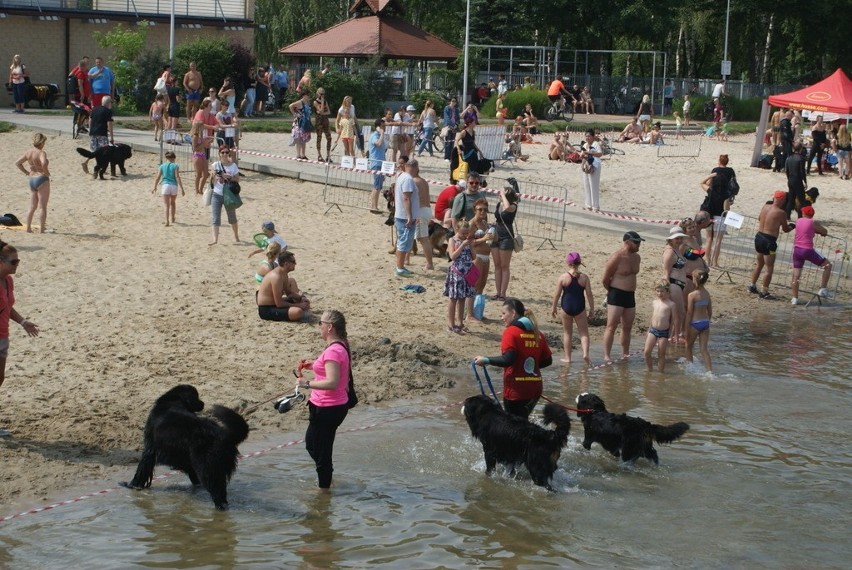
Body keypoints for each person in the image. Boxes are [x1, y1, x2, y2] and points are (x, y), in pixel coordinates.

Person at [295, 309, 351, 491]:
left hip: (329, 408)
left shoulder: (335, 350)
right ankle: (327, 478)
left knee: (321, 452)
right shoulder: (337, 346)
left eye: (321, 323)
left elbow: (333, 382)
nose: (319, 326)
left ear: (330, 327)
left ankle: (324, 492)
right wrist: (314, 365)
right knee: (312, 444)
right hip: (324, 406)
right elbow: (330, 369)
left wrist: (306, 384)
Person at [473, 298, 552, 420]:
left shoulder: (510, 332)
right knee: (523, 425)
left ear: (513, 313)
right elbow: (548, 361)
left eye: (504, 313)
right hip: (535, 389)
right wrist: (527, 367)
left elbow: (508, 360)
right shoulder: (538, 333)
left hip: (516, 391)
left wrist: (486, 360)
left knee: (514, 430)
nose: (501, 317)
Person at [0, 239, 40, 434]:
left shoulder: (8, 281)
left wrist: (23, 322)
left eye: (18, 261)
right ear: (1, 262)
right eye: (13, 262)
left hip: (3, 335)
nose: (17, 265)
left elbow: (7, 306)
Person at [601, 231, 644, 364]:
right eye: (636, 242)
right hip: (616, 293)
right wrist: (611, 292)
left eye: (639, 242)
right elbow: (605, 278)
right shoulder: (617, 257)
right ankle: (607, 355)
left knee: (627, 327)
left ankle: (625, 354)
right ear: (627, 242)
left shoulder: (637, 257)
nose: (639, 245)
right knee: (611, 326)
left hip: (630, 295)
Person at [748, 190, 795, 299]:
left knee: (759, 264)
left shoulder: (765, 207)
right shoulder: (781, 213)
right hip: (769, 241)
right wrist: (793, 226)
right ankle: (764, 291)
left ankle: (752, 285)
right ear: (783, 200)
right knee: (769, 268)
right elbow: (785, 229)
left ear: (773, 198)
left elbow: (760, 218)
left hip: (759, 237)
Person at [551, 251, 594, 365]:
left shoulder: (563, 277)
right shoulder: (584, 278)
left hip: (566, 307)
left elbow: (557, 294)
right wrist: (592, 309)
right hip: (580, 307)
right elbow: (589, 294)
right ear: (580, 263)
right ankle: (585, 354)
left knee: (567, 333)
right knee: (584, 333)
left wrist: (554, 307)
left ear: (568, 263)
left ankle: (568, 358)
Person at [790, 205, 833, 305]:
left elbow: (806, 229)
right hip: (807, 250)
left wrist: (815, 231)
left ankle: (795, 298)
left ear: (804, 213)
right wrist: (819, 232)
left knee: (796, 275)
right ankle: (823, 289)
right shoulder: (812, 222)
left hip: (797, 250)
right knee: (828, 265)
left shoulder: (798, 221)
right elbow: (824, 231)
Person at [700, 154, 737, 266]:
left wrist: (711, 175)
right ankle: (715, 262)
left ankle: (708, 261)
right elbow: (726, 209)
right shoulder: (726, 194)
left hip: (709, 214)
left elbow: (702, 183)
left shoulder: (710, 191)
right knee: (718, 240)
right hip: (720, 215)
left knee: (709, 238)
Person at [443, 220, 477, 334]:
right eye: (463, 233)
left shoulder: (467, 241)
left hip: (466, 274)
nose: (465, 235)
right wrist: (462, 245)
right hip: (456, 274)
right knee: (453, 299)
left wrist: (471, 246)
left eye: (466, 233)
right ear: (457, 230)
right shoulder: (452, 240)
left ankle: (460, 323)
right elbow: (452, 256)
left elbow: (473, 257)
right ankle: (451, 324)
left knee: (462, 299)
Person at [256, 251, 310, 321]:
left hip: (275, 304)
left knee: (304, 302)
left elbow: (289, 293)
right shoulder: (276, 277)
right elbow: (279, 304)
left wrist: (301, 297)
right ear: (286, 264)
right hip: (267, 309)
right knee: (298, 311)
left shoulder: (284, 274)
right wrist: (299, 305)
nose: (295, 264)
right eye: (293, 262)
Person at [466, 198, 495, 321]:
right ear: (474, 210)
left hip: (486, 256)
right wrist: (483, 239)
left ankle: (476, 311)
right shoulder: (472, 223)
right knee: (473, 285)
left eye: (485, 210)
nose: (483, 212)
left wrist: (494, 233)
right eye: (480, 209)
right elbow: (468, 242)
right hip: (476, 256)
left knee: (482, 285)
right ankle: (469, 314)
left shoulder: (485, 223)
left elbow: (493, 239)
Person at [491, 184, 520, 301]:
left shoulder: (513, 206)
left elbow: (507, 208)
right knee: (497, 266)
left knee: (504, 266)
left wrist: (503, 194)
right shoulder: (499, 204)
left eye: (502, 194)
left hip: (506, 237)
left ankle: (503, 293)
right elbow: (497, 218)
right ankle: (498, 292)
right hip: (496, 235)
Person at [662, 226, 690, 345]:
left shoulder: (677, 249)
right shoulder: (669, 252)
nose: (679, 240)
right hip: (673, 284)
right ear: (671, 239)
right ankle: (674, 337)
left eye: (680, 238)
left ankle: (670, 336)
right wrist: (666, 290)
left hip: (679, 284)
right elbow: (665, 273)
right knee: (679, 313)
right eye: (677, 238)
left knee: (675, 314)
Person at [209, 146, 241, 245]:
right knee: (215, 217)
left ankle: (236, 236)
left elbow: (237, 179)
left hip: (229, 195)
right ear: (219, 154)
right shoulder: (215, 165)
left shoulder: (233, 166)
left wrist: (229, 177)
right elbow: (211, 181)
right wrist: (214, 175)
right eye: (222, 152)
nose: (225, 154)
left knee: (232, 217)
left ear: (229, 153)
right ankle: (215, 239)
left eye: (226, 152)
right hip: (217, 193)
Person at [393, 159, 420, 276]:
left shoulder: (402, 176)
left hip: (401, 214)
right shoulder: (408, 179)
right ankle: (399, 267)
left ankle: (400, 266)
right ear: (414, 167)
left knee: (402, 242)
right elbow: (406, 198)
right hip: (404, 217)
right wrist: (409, 216)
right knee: (403, 243)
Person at [644, 280, 675, 373]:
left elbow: (673, 320)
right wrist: (649, 329)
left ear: (667, 292)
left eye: (662, 291)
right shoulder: (655, 302)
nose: (659, 293)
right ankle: (649, 370)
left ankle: (661, 374)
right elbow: (653, 317)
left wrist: (671, 333)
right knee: (646, 352)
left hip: (664, 332)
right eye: (657, 291)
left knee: (661, 355)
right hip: (653, 330)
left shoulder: (671, 304)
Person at [685, 271, 712, 372]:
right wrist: (707, 322)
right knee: (704, 350)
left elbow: (689, 313)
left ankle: (690, 368)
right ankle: (710, 371)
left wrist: (686, 328)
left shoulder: (692, 295)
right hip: (705, 323)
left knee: (688, 346)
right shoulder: (707, 294)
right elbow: (710, 311)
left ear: (695, 280)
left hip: (695, 323)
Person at [81, 95, 114, 174]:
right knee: (103, 151)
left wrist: (90, 130)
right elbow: (109, 123)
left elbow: (90, 120)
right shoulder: (108, 111)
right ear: (108, 103)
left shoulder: (95, 109)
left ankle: (89, 163)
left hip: (93, 133)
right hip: (102, 133)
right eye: (111, 103)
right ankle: (99, 166)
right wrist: (112, 137)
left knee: (95, 151)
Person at [151, 150, 185, 226]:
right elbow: (177, 177)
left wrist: (155, 186)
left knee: (166, 205)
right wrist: (182, 188)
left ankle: (167, 221)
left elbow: (158, 177)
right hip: (174, 185)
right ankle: (172, 218)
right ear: (173, 158)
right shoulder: (175, 166)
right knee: (173, 203)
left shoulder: (162, 166)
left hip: (165, 185)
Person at [414, 171, 435, 270]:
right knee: (419, 238)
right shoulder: (423, 181)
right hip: (427, 209)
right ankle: (407, 260)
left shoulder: (415, 181)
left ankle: (430, 264)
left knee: (423, 239)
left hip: (421, 211)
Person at [368, 118, 389, 213]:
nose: (384, 128)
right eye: (382, 126)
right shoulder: (375, 136)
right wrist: (382, 133)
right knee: (377, 186)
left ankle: (374, 206)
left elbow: (383, 152)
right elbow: (378, 144)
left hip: (380, 163)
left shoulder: (379, 136)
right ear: (378, 127)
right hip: (376, 163)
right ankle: (374, 207)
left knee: (378, 185)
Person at [579, 129, 603, 211]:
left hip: (595, 165)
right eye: (586, 136)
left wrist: (589, 153)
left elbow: (600, 154)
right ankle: (588, 204)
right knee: (587, 185)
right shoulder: (585, 145)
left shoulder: (596, 144)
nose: (587, 138)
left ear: (593, 137)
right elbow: (583, 155)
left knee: (594, 185)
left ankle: (595, 206)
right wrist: (582, 165)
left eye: (589, 136)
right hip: (586, 165)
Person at [785, 140, 808, 219]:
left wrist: (789, 179)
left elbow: (786, 171)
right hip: (797, 180)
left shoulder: (788, 158)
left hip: (790, 180)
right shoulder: (801, 158)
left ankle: (787, 216)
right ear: (800, 149)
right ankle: (800, 217)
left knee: (791, 199)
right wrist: (805, 181)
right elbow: (802, 172)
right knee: (801, 200)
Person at [189, 121, 212, 197]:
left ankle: (200, 189)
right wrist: (204, 143)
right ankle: (197, 190)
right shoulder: (195, 136)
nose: (204, 127)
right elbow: (195, 149)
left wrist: (207, 142)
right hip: (197, 155)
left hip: (203, 154)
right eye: (202, 126)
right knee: (198, 174)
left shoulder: (200, 135)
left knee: (205, 174)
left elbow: (202, 146)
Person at [289, 91, 312, 161]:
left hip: (306, 123)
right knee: (299, 139)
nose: (309, 96)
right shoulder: (300, 102)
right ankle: (298, 155)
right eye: (308, 95)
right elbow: (290, 106)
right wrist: (295, 114)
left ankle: (303, 155)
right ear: (304, 95)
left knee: (304, 139)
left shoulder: (308, 103)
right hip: (299, 123)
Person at [312, 88, 332, 162]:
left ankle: (328, 155)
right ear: (318, 93)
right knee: (319, 138)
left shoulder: (325, 101)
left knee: (329, 138)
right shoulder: (315, 102)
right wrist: (322, 103)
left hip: (325, 121)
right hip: (319, 122)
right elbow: (321, 111)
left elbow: (328, 112)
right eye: (321, 94)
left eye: (323, 94)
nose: (322, 95)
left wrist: (322, 111)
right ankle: (319, 155)